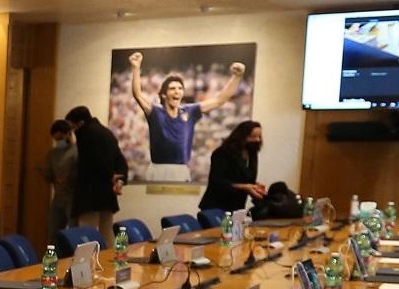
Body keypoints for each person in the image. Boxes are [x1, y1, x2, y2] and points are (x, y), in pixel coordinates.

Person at [126, 52, 246, 179]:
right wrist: (136, 67)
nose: (177, 91)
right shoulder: (155, 112)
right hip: (158, 169)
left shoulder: (190, 111)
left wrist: (237, 77)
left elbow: (219, 100)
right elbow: (138, 95)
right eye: (172, 88)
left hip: (181, 170)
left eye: (180, 88)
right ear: (164, 95)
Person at [65, 105, 127, 241]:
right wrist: (118, 179)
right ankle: (109, 255)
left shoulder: (85, 134)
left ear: (80, 123)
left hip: (90, 193)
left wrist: (109, 174)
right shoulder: (107, 133)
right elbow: (120, 160)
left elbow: (94, 161)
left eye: (73, 127)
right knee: (106, 232)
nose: (73, 131)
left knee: (87, 234)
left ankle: (91, 257)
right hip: (107, 193)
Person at [199, 120, 268, 214]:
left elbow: (242, 177)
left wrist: (255, 186)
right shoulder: (223, 152)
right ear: (241, 136)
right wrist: (244, 187)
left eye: (259, 136)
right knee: (225, 224)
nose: (257, 140)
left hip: (237, 206)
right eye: (253, 136)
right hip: (217, 206)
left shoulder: (252, 153)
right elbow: (216, 180)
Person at [40, 118, 76, 239]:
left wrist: (68, 177)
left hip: (72, 199)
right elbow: (49, 174)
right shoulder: (52, 154)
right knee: (53, 232)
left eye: (61, 138)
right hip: (57, 198)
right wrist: (49, 176)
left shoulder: (76, 152)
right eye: (56, 139)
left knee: (74, 233)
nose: (59, 141)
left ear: (68, 134)